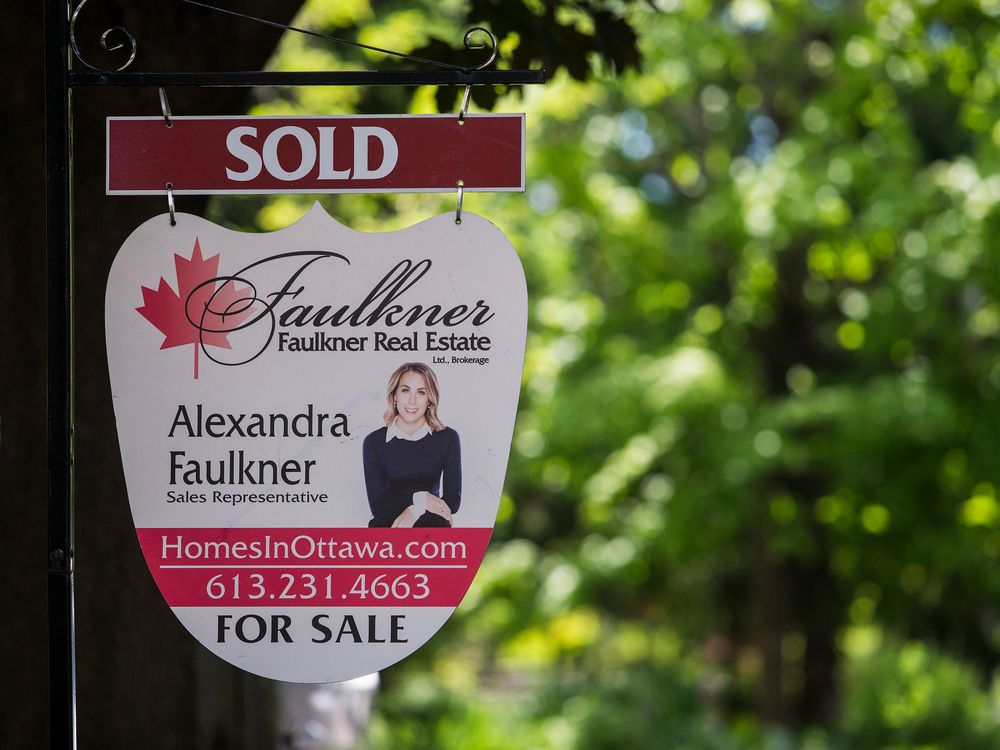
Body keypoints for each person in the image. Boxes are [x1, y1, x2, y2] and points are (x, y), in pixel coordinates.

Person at [363, 362, 461, 528]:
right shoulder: (374, 442)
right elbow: (379, 506)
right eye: (405, 390)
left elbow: (452, 501)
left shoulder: (448, 438)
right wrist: (423, 498)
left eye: (421, 392)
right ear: (394, 395)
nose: (412, 400)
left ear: (430, 399)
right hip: (387, 531)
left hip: (434, 532)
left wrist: (415, 510)